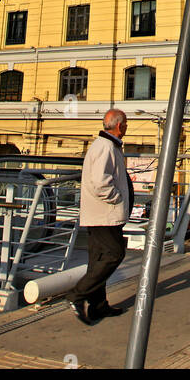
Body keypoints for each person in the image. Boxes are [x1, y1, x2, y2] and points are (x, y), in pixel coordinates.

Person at [70, 108, 134, 326]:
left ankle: (98, 307)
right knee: (114, 254)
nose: (126, 127)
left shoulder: (105, 145)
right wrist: (116, 199)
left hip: (99, 214)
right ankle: (77, 294)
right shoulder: (106, 147)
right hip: (104, 214)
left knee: (97, 260)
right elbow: (101, 182)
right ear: (119, 125)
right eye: (125, 124)